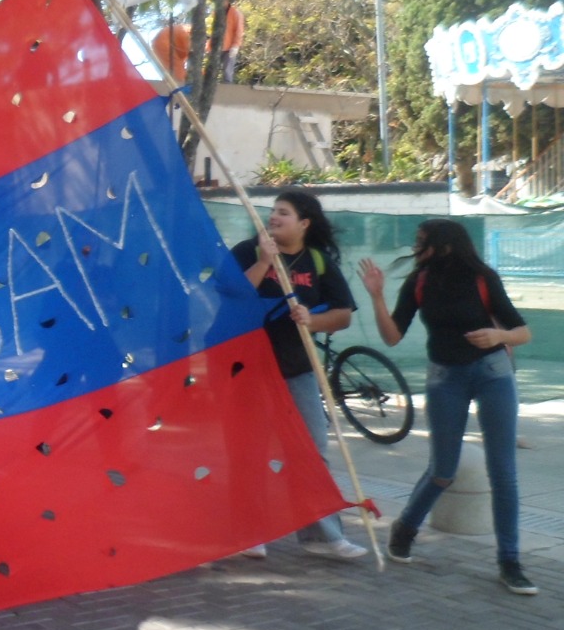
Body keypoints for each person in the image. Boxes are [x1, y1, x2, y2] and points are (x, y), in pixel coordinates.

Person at [359, 220, 537, 595]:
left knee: (503, 472)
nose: (416, 246)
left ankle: (510, 560)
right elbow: (393, 336)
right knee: (443, 470)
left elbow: (522, 331)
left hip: (493, 373)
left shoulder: (482, 277)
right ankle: (405, 528)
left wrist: (499, 335)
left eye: (422, 241)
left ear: (445, 245)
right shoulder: (420, 281)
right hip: (445, 378)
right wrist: (376, 296)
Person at [230, 190, 367, 560]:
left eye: (283, 213)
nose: (273, 217)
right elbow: (227, 298)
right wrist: (263, 263)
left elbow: (342, 314)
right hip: (248, 371)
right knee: (249, 453)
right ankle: (247, 533)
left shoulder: (319, 262)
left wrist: (313, 320)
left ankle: (322, 537)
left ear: (304, 223)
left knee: (310, 452)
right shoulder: (247, 251)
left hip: (298, 370)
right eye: (273, 211)